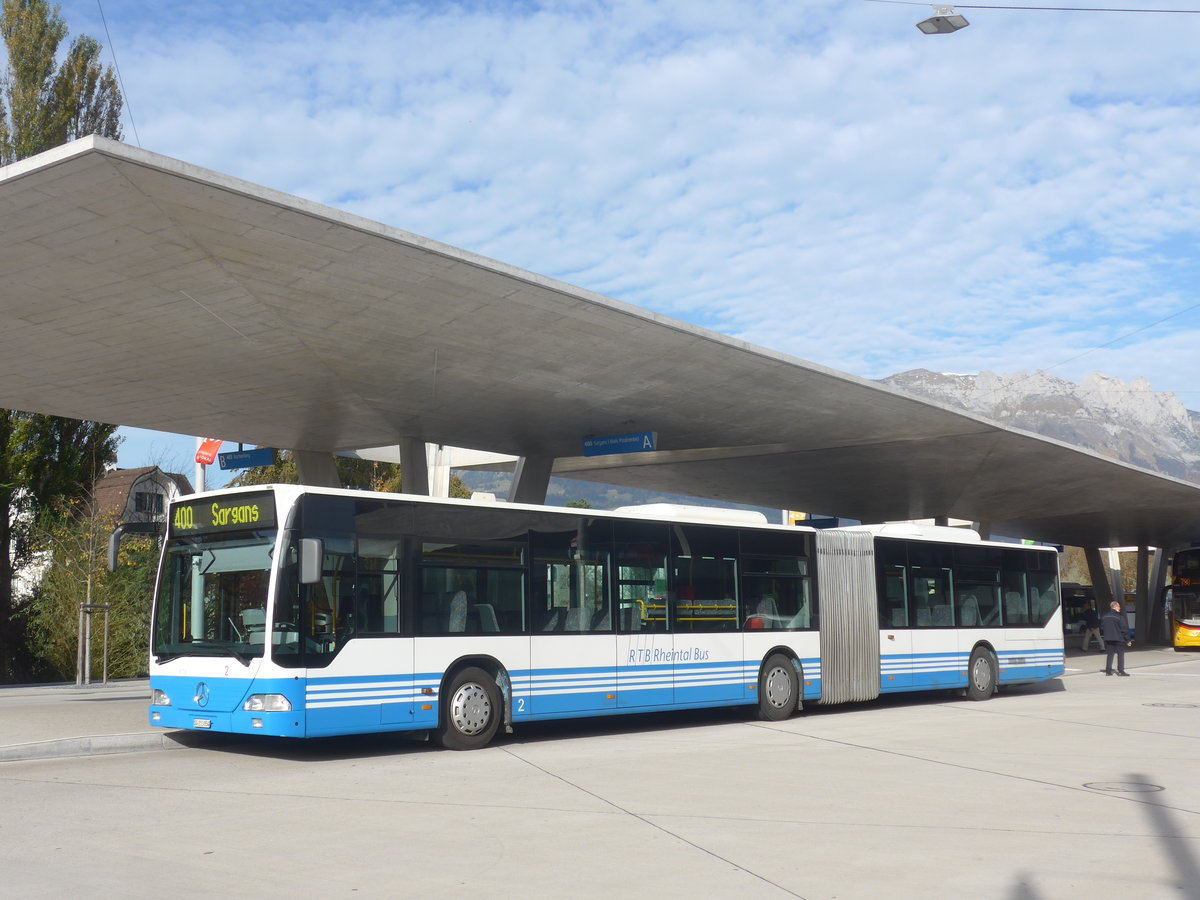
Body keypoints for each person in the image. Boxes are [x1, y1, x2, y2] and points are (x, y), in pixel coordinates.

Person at [1100, 600, 1132, 676]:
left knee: (1110, 655)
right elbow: (1124, 629)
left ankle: (1108, 671)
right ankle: (1121, 671)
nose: (1120, 608)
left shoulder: (1105, 617)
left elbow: (1102, 628)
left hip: (1108, 639)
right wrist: (1128, 640)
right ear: (1115, 607)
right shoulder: (1119, 617)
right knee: (1120, 655)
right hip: (1119, 639)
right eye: (1119, 606)